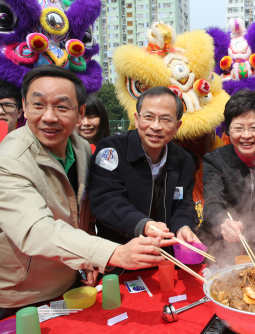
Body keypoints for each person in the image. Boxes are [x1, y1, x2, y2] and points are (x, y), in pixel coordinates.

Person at [0, 65, 164, 320]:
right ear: (24, 106)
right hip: (22, 298)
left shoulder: (82, 149)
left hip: (70, 287)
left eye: (62, 107)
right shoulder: (9, 160)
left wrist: (86, 260)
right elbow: (36, 231)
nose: (49, 117)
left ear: (80, 112)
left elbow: (81, 213)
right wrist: (113, 253)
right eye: (39, 105)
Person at [89, 86, 200, 273]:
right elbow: (106, 200)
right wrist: (144, 225)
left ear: (177, 126)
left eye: (165, 119)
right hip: (119, 262)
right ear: (136, 118)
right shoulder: (112, 150)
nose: (156, 126)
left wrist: (183, 227)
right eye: (148, 117)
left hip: (166, 263)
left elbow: (184, 204)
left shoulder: (183, 160)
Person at [199, 89, 255, 261]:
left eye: (254, 128)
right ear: (228, 130)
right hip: (219, 249)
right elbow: (213, 202)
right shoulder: (215, 160)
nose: (246, 135)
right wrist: (223, 222)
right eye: (238, 128)